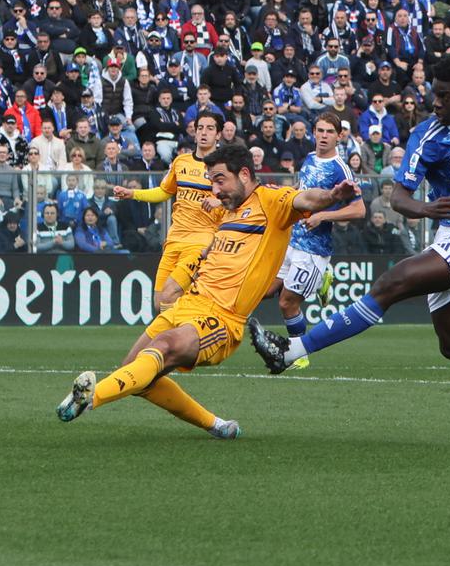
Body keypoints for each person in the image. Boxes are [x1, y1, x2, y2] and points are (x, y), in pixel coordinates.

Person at [247, 54, 450, 449]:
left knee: (393, 281)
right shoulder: (427, 135)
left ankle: (290, 351)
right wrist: (423, 208)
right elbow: (401, 197)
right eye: (433, 94)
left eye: (444, 96)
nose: (435, 103)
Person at [56, 143, 359, 438]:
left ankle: (90, 397)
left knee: (162, 348)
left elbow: (306, 199)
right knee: (135, 373)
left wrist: (332, 195)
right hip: (188, 305)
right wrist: (184, 276)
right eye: (212, 181)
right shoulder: (226, 215)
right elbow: (208, 254)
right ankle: (215, 424)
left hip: (221, 318)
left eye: (219, 180)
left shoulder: (271, 202)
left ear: (243, 174)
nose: (215, 190)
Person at [266, 113, 365, 338]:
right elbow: (302, 189)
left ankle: (298, 353)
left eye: (330, 132)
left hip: (313, 248)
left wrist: (322, 217)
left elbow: (359, 210)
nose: (323, 136)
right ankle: (321, 281)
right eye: (320, 131)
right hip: (291, 240)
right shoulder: (310, 158)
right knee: (264, 291)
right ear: (313, 133)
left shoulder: (341, 169)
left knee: (286, 303)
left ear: (339, 136)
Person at [111, 111, 222, 308]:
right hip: (174, 240)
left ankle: (188, 336)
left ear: (219, 135)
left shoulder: (224, 167)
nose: (204, 132)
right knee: (159, 304)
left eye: (210, 128)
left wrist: (221, 202)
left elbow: (241, 199)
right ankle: (189, 336)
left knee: (170, 296)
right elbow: (164, 192)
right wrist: (132, 193)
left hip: (200, 242)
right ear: (195, 133)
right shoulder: (181, 162)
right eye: (200, 128)